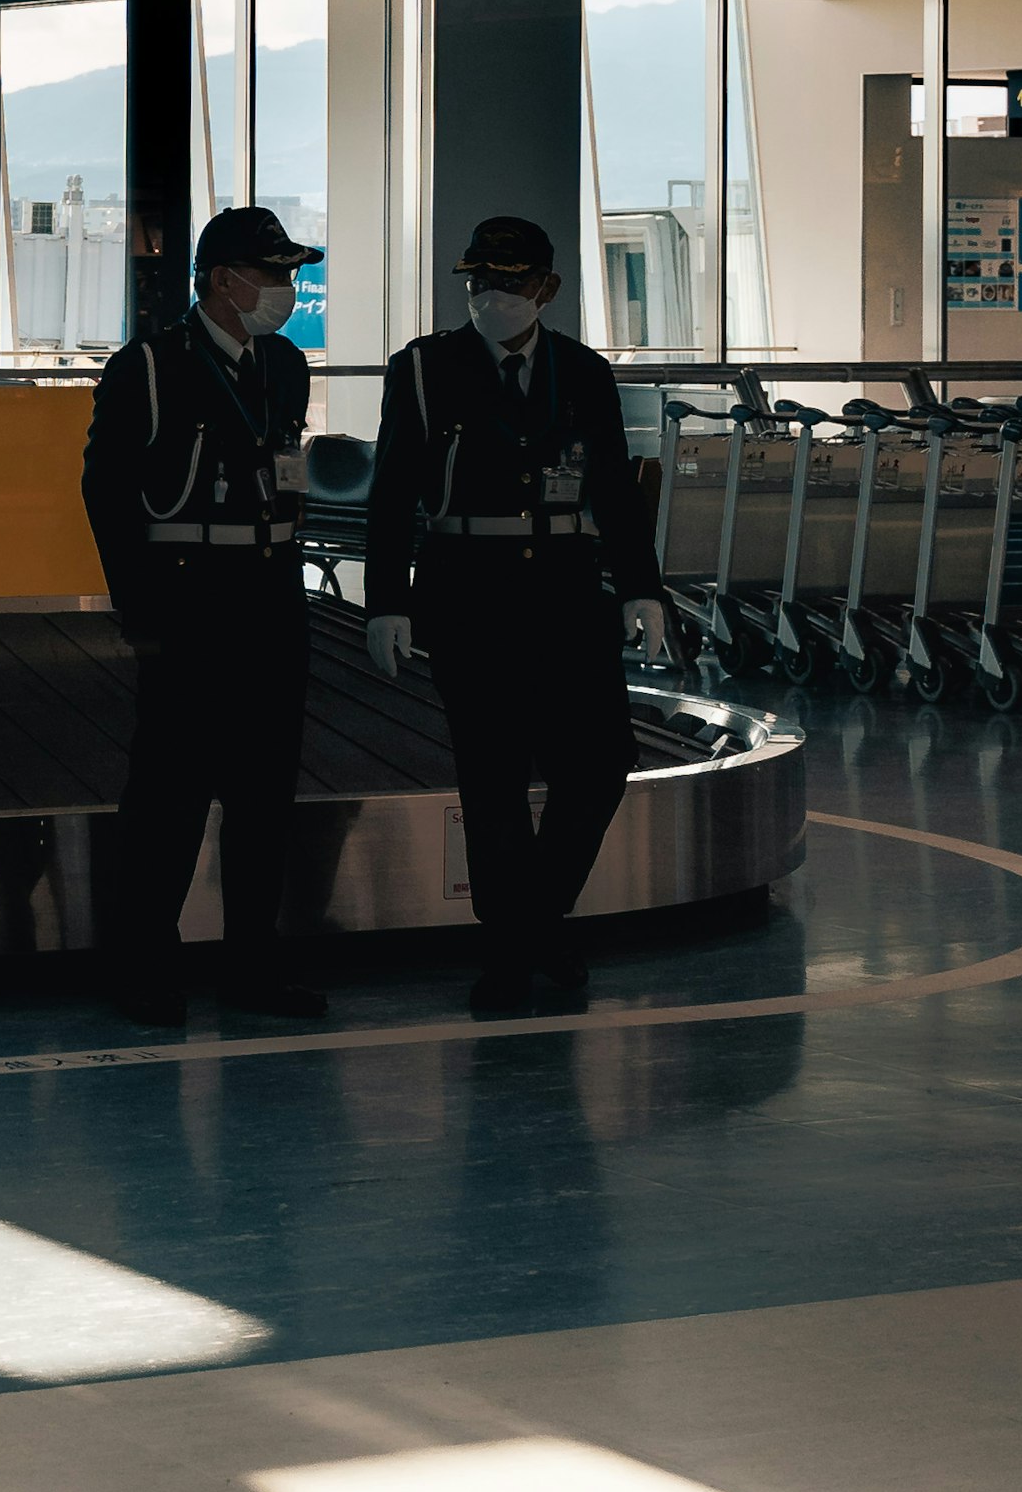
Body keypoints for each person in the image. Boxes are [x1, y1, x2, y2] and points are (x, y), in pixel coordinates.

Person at [364, 212, 674, 1018]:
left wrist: (643, 587)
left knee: (601, 763)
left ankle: (533, 920)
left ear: (547, 289)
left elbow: (613, 487)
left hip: (568, 592)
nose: (491, 296)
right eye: (479, 282)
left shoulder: (584, 372)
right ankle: (513, 949)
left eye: (508, 283)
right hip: (469, 590)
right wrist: (386, 601)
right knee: (493, 778)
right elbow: (394, 492)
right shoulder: (427, 369)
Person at [79, 202, 327, 1029]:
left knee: (264, 799)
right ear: (222, 280)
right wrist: (138, 609)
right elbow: (107, 494)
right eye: (273, 274)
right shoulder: (150, 368)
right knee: (169, 797)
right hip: (190, 607)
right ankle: (144, 966)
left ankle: (253, 964)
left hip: (270, 605)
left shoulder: (284, 365)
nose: (286, 289)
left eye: (291, 274)